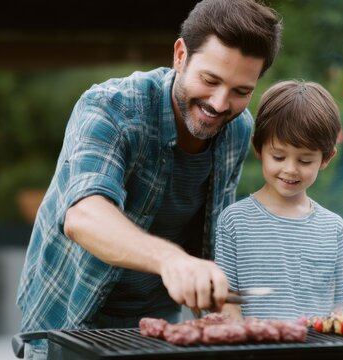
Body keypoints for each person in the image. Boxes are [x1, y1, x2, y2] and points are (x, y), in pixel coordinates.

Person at [15, 0, 281, 357]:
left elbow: (207, 242)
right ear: (180, 55)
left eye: (240, 91)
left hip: (155, 331)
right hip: (68, 324)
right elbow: (84, 215)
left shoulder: (237, 128)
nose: (220, 104)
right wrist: (171, 261)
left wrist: (230, 316)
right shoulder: (110, 107)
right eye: (210, 80)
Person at [214, 80, 343, 321]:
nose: (290, 169)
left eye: (305, 161)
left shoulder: (334, 228)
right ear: (258, 148)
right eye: (278, 156)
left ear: (326, 158)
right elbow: (226, 301)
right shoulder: (234, 221)